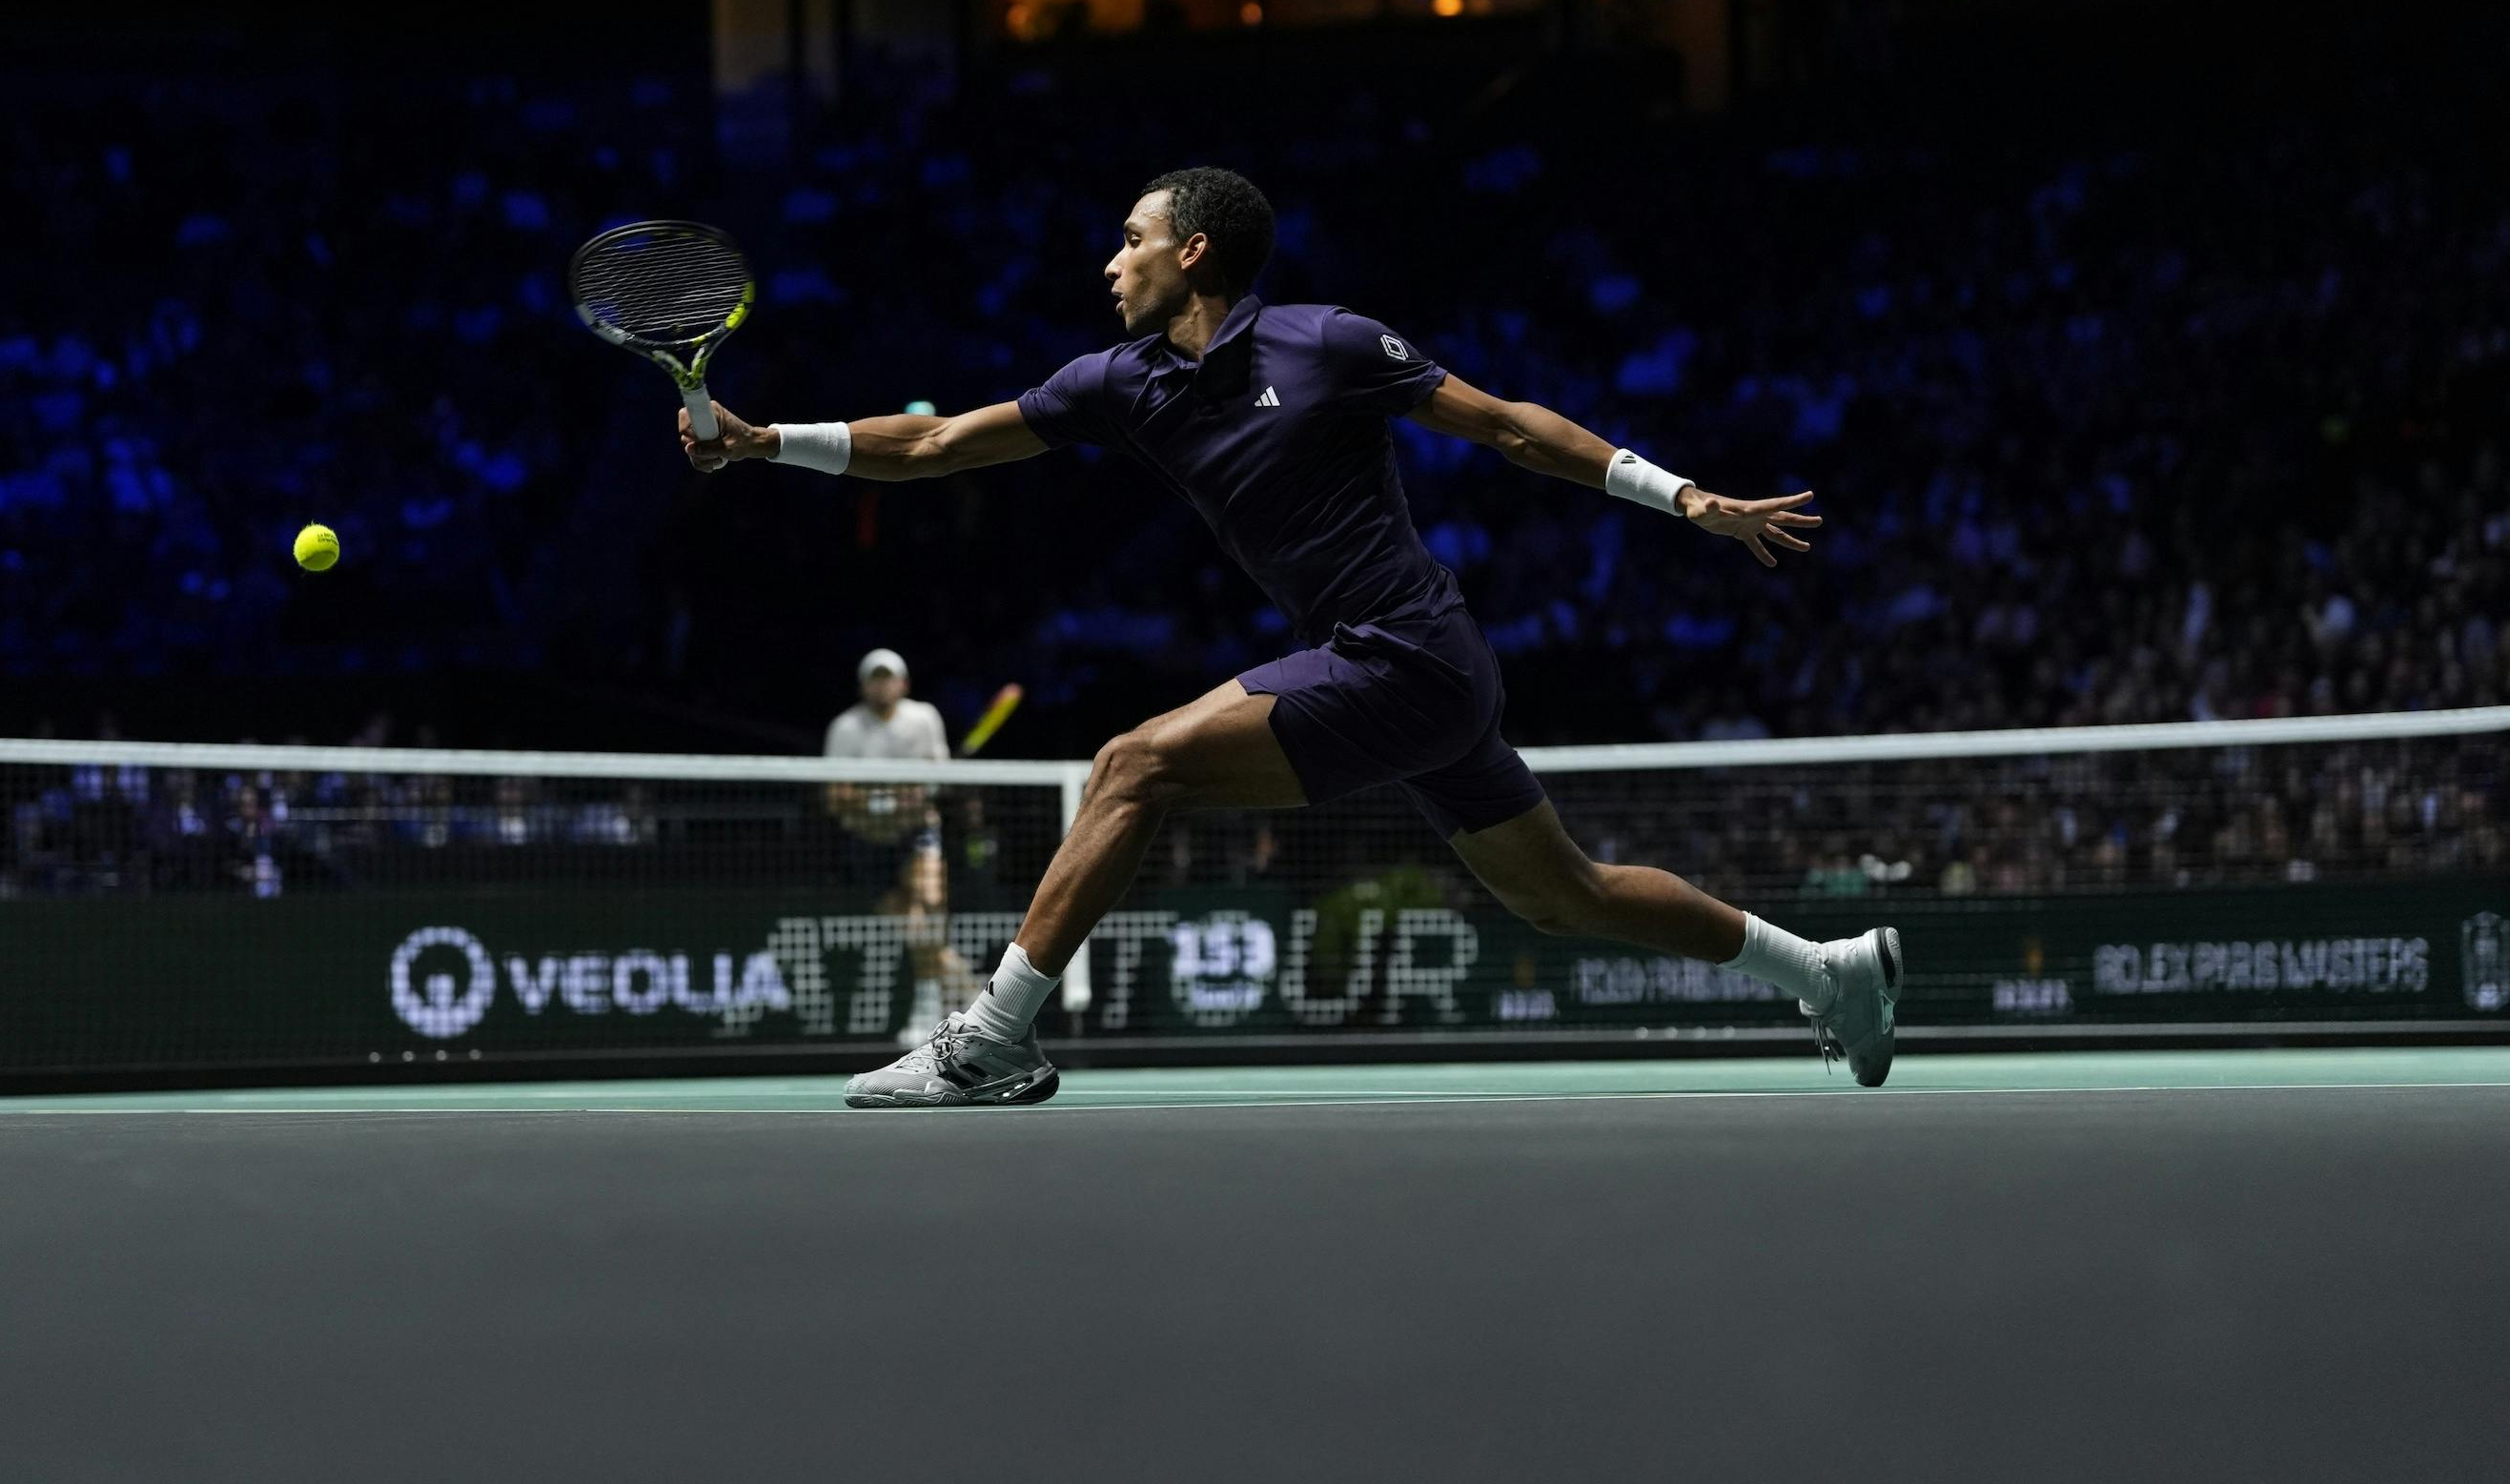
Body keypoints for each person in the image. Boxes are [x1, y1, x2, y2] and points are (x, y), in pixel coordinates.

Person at [682, 166, 1897, 1108]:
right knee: (1564, 895)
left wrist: (1686, 495)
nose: (1112, 262)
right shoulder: (1122, 382)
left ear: (1192, 248)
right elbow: (939, 441)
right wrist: (763, 440)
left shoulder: (1328, 342)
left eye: (1132, 237)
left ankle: (989, 1039)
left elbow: (1513, 427)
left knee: (1130, 762)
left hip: (1406, 650)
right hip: (1409, 674)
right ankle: (1825, 970)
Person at [822, 648, 961, 1045]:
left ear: (904, 683)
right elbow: (834, 796)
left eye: (890, 677)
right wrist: (883, 799)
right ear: (863, 685)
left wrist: (915, 795)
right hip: (867, 841)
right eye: (875, 677)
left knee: (931, 904)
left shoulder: (924, 718)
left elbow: (939, 779)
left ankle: (928, 1007)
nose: (882, 685)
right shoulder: (845, 729)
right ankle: (965, 989)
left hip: (917, 833)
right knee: (915, 927)